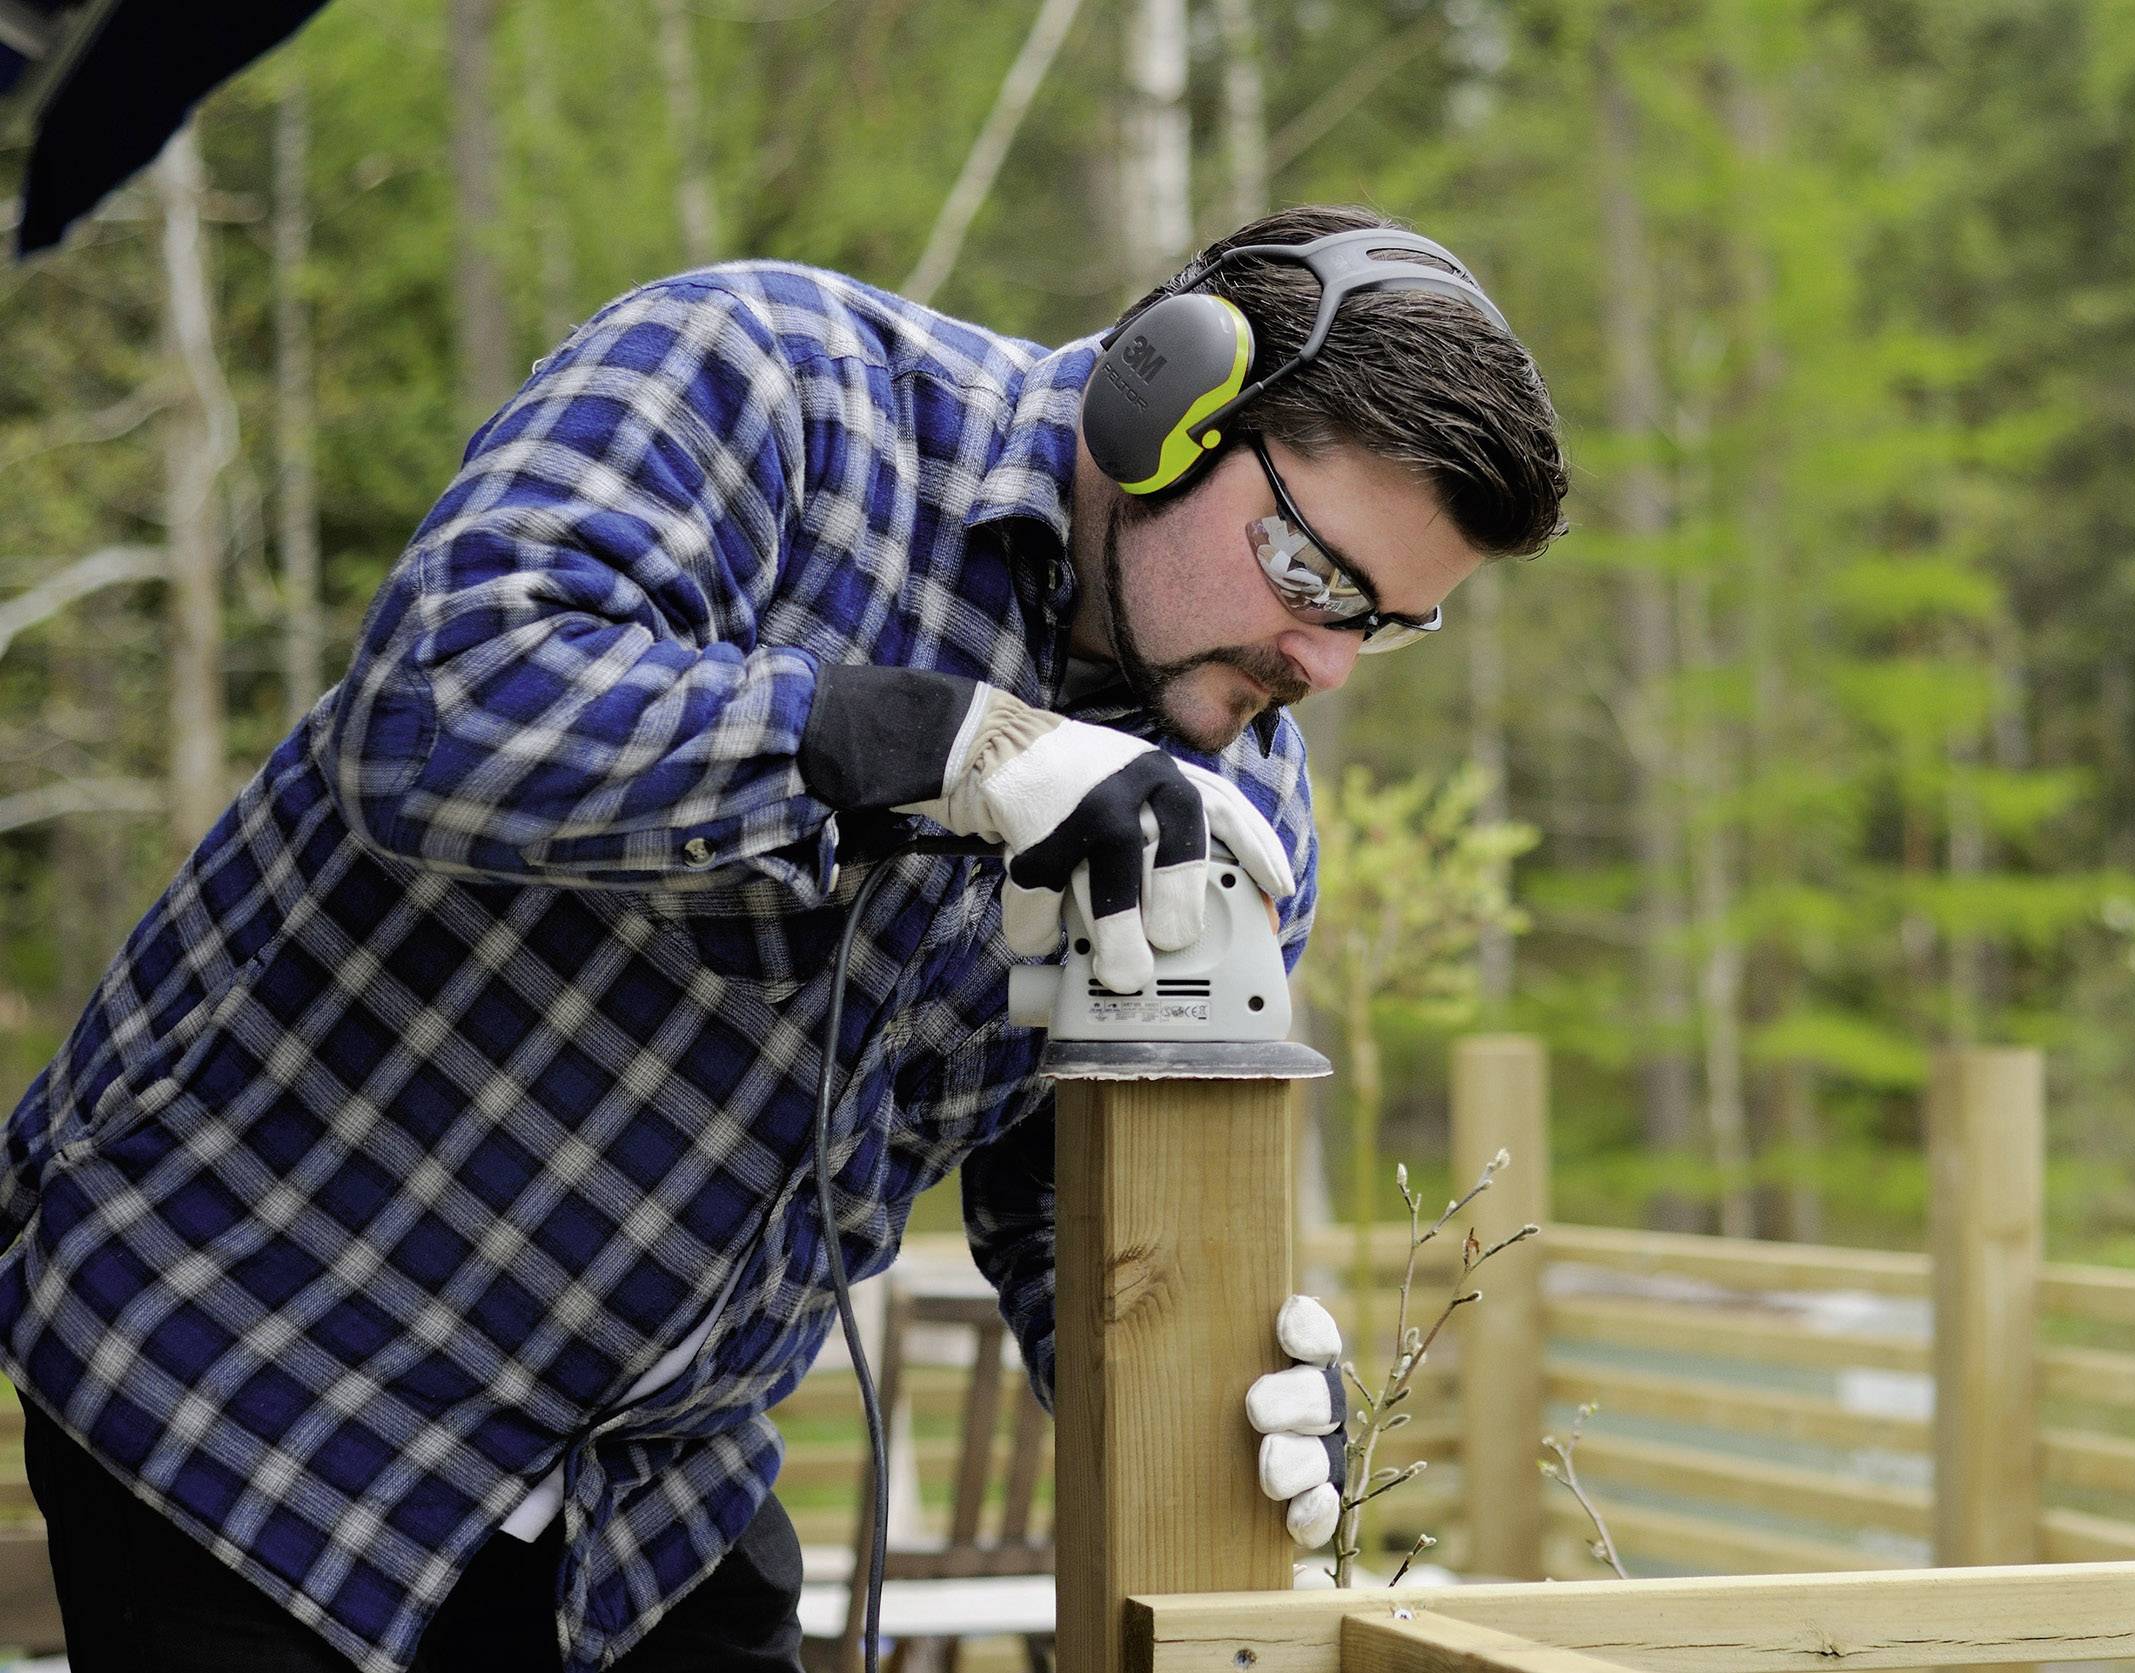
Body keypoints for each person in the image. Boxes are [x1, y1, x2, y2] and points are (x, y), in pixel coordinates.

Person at [0, 201, 1566, 1672]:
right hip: (254, 1375)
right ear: (1163, 408)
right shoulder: (772, 388)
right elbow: (438, 705)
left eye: (1385, 623)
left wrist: (1222, 1392)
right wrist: (921, 742)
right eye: (1309, 574)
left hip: (651, 1499)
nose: (1325, 660)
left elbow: (1071, 1206)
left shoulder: (1244, 815)